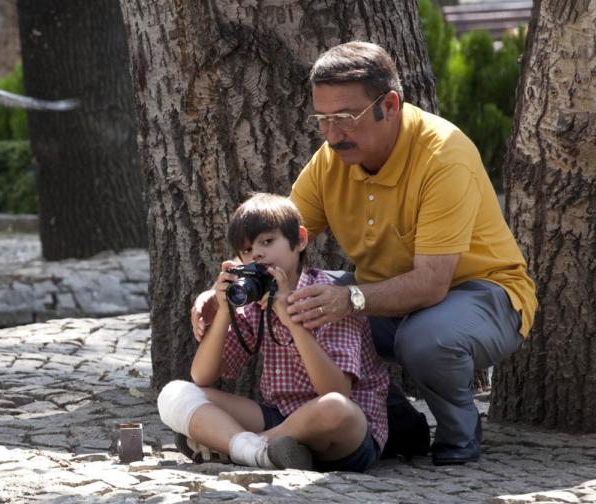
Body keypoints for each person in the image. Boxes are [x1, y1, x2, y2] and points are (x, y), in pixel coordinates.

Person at [284, 41, 537, 465]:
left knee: (423, 339)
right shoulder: (331, 158)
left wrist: (349, 299)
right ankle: (397, 425)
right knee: (300, 306)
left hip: (484, 295)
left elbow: (431, 284)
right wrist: (229, 288)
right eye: (322, 119)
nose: (332, 135)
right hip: (386, 297)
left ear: (389, 105)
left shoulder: (444, 153)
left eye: (344, 118)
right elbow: (280, 236)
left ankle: (459, 434)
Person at [157, 193, 388, 472]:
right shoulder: (254, 299)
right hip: (279, 417)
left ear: (300, 240)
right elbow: (202, 376)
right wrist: (223, 311)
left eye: (267, 242)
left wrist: (292, 322)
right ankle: (264, 452)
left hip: (341, 434)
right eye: (247, 250)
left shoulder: (327, 298)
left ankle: (237, 446)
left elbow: (336, 391)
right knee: (175, 393)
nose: (257, 254)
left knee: (335, 408)